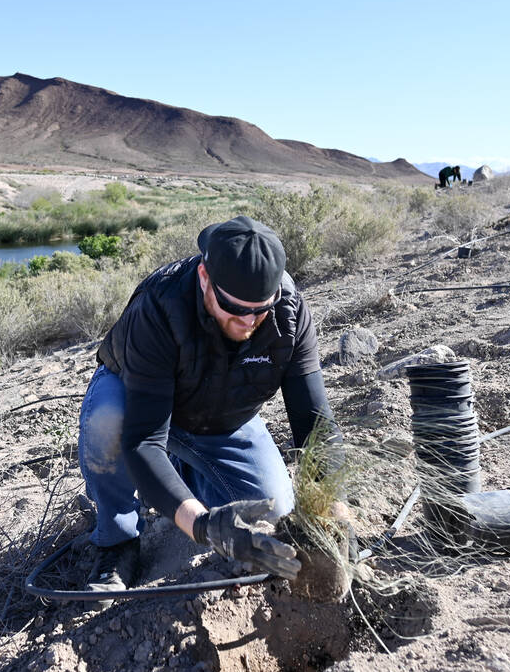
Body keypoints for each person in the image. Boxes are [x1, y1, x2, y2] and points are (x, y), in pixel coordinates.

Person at [77, 215, 344, 594]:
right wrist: (203, 527)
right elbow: (143, 439)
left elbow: (314, 422)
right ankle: (117, 540)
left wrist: (337, 515)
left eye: (260, 309)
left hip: (217, 421)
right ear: (205, 277)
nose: (246, 323)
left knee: (275, 511)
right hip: (138, 403)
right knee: (108, 420)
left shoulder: (291, 314)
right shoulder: (160, 304)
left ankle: (178, 479)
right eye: (233, 308)